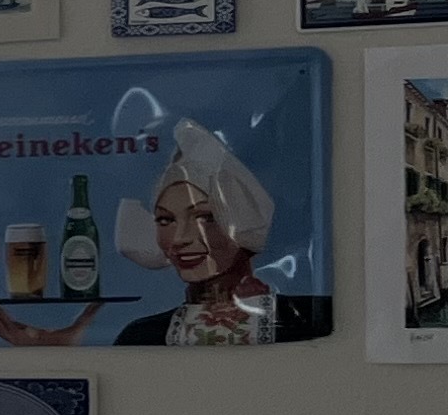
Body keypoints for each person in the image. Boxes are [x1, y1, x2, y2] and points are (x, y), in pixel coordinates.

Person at [113, 120, 328, 347]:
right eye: (166, 220)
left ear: (244, 217)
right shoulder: (142, 337)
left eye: (205, 217)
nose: (180, 238)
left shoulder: (309, 320)